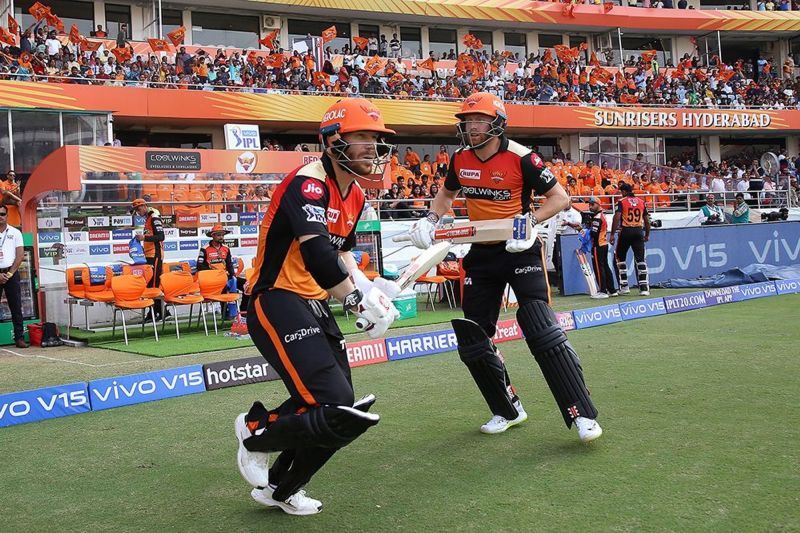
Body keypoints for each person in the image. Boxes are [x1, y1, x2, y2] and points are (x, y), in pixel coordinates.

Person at [234, 98, 401, 516]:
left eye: (376, 139)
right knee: (332, 400)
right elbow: (316, 256)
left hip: (314, 302)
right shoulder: (308, 182)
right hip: (276, 297)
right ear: (331, 141)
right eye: (361, 136)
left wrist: (368, 287)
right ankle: (255, 431)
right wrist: (355, 298)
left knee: (343, 409)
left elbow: (341, 253)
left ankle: (281, 489)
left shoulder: (357, 194)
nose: (372, 147)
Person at [404, 92, 602, 442]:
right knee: (473, 337)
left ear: (496, 122)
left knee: (540, 327)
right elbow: (446, 194)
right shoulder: (460, 158)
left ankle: (582, 414)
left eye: (478, 120)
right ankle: (507, 408)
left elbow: (560, 198)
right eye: (467, 121)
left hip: (520, 249)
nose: (471, 126)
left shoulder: (523, 158)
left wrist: (531, 222)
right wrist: (431, 217)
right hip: (481, 252)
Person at [610, 182, 651, 296]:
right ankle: (644, 288)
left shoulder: (622, 202)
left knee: (620, 258)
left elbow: (617, 217)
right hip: (638, 230)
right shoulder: (641, 202)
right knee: (641, 259)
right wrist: (647, 234)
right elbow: (647, 220)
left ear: (624, 192)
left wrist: (612, 234)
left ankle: (624, 286)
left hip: (626, 231)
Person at [132, 198, 166, 320]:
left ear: (145, 206)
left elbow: (161, 236)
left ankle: (158, 313)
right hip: (149, 256)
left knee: (154, 285)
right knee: (151, 284)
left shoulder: (154, 217)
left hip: (156, 255)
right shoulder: (148, 218)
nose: (137, 211)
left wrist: (144, 238)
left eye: (139, 208)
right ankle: (157, 312)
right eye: (136, 209)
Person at [0, 205, 26, 348]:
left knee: (16, 307)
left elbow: (20, 255)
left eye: (3, 214)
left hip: (11, 273)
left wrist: (9, 274)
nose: (0, 216)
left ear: (7, 215)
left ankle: (19, 338)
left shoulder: (15, 232)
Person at [588, 197, 617, 298]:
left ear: (598, 204)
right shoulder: (601, 215)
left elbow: (594, 233)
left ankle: (603, 291)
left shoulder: (597, 217)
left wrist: (585, 230)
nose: (590, 207)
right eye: (589, 204)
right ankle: (612, 290)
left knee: (598, 268)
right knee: (605, 267)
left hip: (598, 245)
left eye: (592, 204)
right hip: (603, 244)